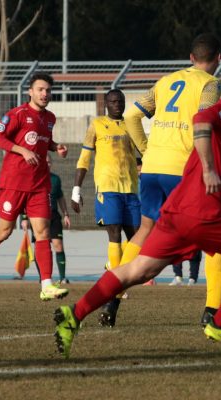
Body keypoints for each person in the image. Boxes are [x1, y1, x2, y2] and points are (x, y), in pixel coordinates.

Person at [53, 54, 221, 358]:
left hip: (178, 210)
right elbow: (201, 120)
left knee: (138, 270)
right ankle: (220, 323)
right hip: (201, 212)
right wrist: (207, 168)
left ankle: (74, 314)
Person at [116, 33, 221, 327]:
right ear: (218, 59)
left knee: (144, 230)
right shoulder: (210, 84)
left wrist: (145, 150)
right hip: (184, 169)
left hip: (153, 167)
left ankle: (112, 296)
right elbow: (204, 120)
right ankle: (213, 312)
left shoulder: (165, 81)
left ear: (191, 58)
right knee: (214, 234)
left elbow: (131, 116)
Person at [71, 88, 145, 325]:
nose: (117, 105)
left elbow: (142, 157)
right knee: (114, 235)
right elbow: (84, 159)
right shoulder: (97, 125)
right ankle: (115, 283)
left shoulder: (131, 126)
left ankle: (112, 265)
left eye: (121, 101)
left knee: (137, 240)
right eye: (113, 101)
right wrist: (76, 189)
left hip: (131, 189)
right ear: (106, 105)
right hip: (108, 187)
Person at [0, 73, 69, 300]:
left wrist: (56, 146)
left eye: (48, 90)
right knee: (4, 232)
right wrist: (22, 150)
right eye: (40, 89)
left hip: (39, 185)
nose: (44, 94)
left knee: (43, 233)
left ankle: (46, 285)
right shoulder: (17, 114)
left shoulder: (50, 118)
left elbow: (43, 140)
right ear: (30, 91)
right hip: (14, 184)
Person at [21, 154, 72, 283]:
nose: (47, 164)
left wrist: (66, 214)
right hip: (37, 216)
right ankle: (43, 278)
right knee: (40, 244)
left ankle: (62, 278)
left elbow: (60, 197)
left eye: (49, 162)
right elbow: (25, 198)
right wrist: (24, 218)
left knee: (58, 245)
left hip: (54, 215)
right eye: (45, 162)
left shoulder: (55, 179)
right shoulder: (33, 177)